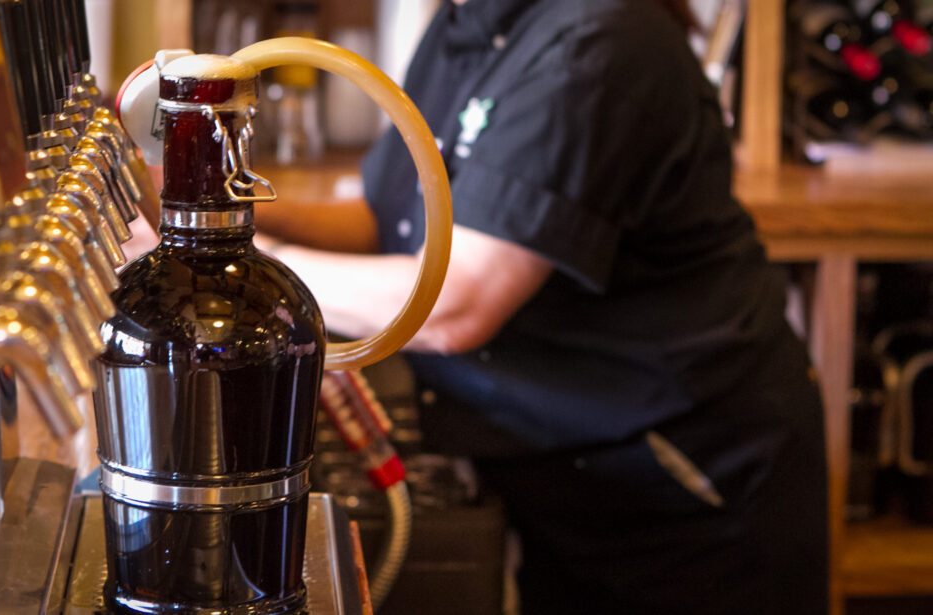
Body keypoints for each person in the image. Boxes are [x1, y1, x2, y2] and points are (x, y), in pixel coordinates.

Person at [254, 0, 829, 613]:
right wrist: (233, 214)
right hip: (568, 477)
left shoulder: (600, 41)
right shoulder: (464, 24)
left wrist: (240, 263)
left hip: (682, 483)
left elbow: (454, 304)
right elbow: (396, 218)